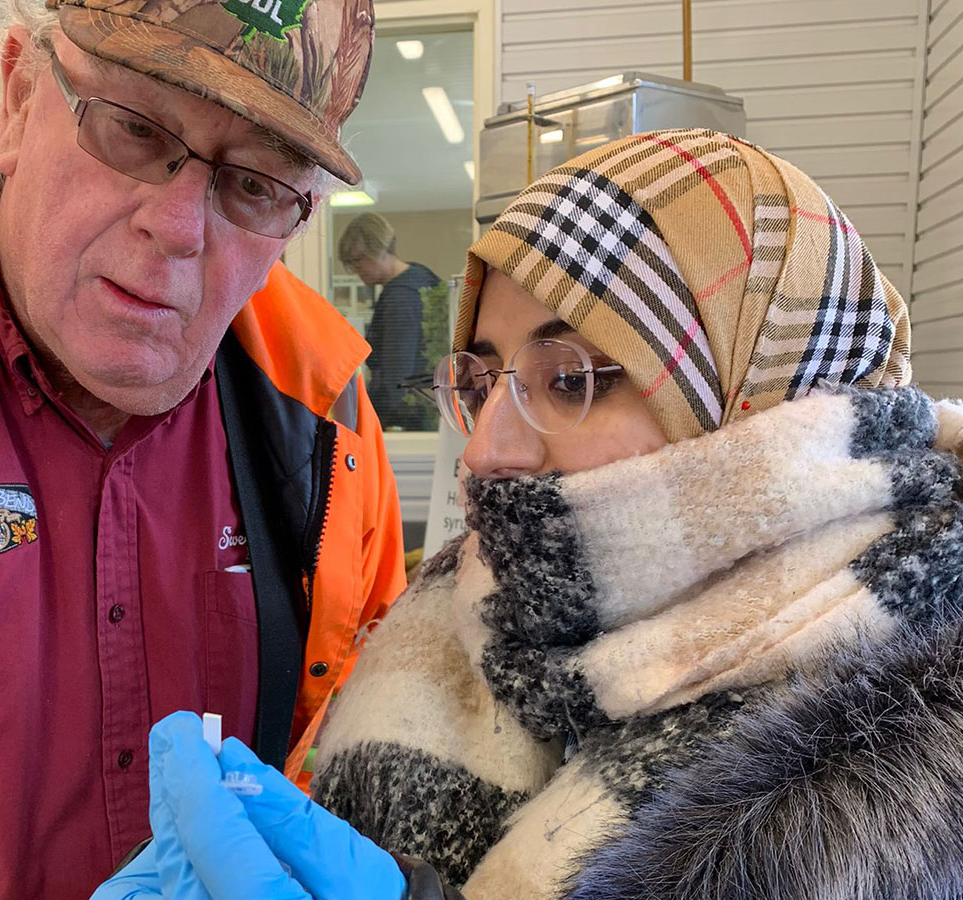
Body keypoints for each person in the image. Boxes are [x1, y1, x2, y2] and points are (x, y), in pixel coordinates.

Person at [91, 129, 963, 900]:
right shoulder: (453, 607)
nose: (485, 453)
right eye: (480, 380)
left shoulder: (896, 769)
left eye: (572, 379)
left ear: (766, 408)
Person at [0, 0, 408, 897]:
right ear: (22, 91)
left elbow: (357, 763)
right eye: (137, 131)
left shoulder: (328, 418)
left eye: (255, 183)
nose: (179, 227)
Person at [339, 213, 442, 430]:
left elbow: (398, 376)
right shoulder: (420, 278)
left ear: (379, 249)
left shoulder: (401, 297)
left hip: (404, 422)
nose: (356, 270)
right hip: (425, 416)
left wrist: (377, 425)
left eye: (358, 261)